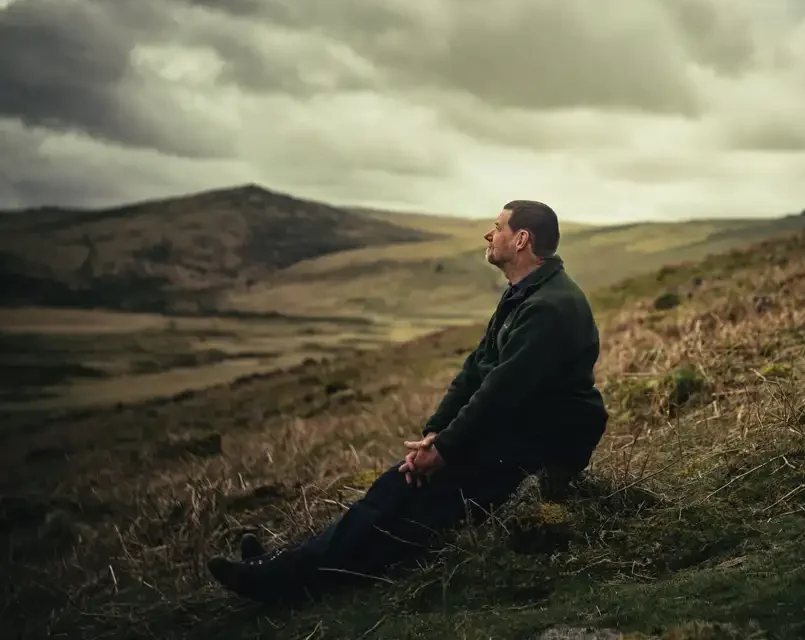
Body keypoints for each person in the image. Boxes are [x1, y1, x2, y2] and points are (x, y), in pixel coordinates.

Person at [207, 200, 609, 602]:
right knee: (398, 482)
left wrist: (446, 449)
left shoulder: (548, 307)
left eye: (497, 227)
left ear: (521, 240)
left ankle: (297, 581)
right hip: (519, 428)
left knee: (422, 505)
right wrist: (435, 431)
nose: (489, 235)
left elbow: (501, 390)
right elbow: (476, 369)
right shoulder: (524, 294)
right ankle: (282, 565)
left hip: (547, 441)